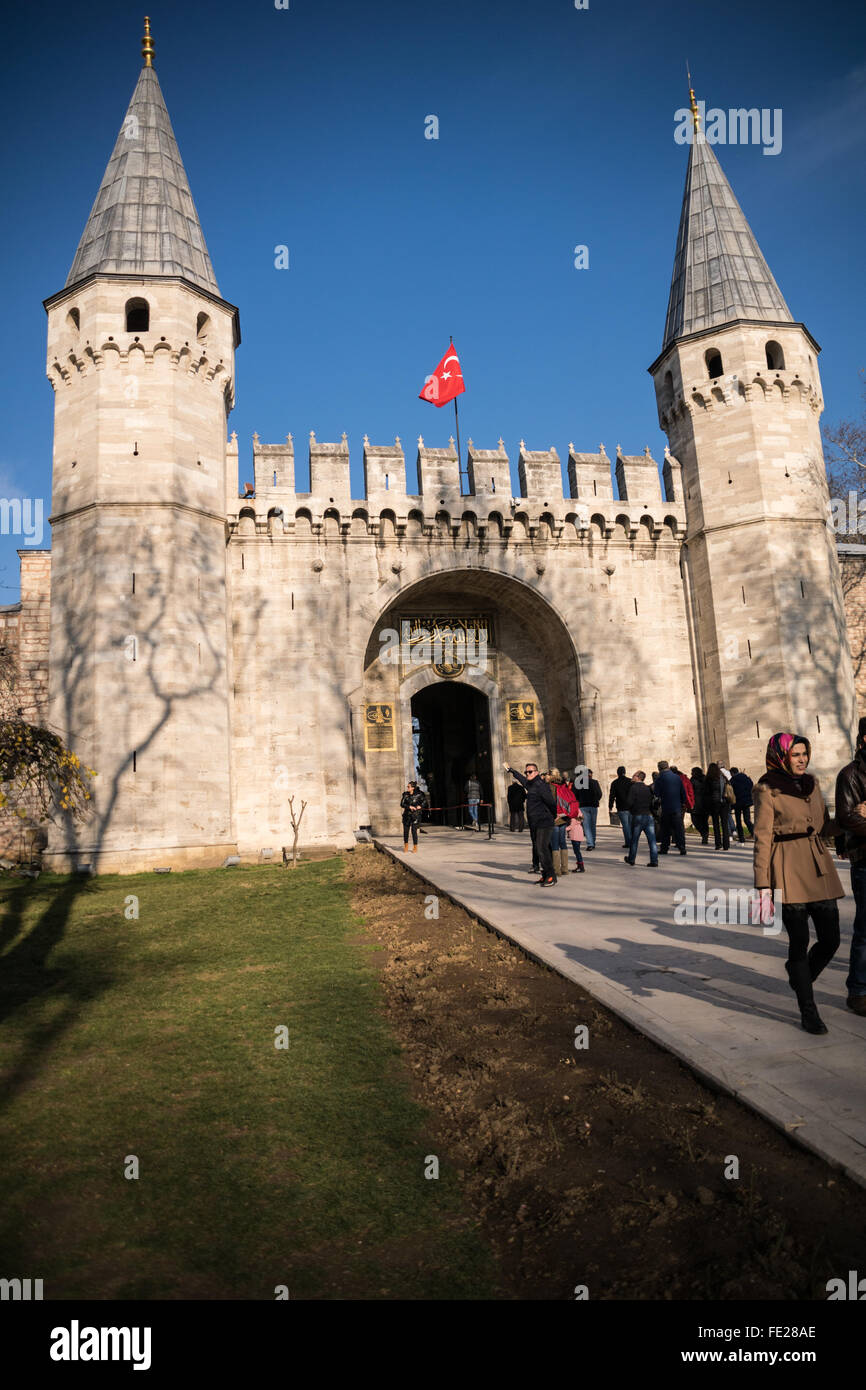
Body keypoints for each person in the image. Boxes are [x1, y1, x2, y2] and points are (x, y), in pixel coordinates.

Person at [754, 732, 843, 1035]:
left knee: (831, 939)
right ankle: (809, 1010)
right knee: (799, 941)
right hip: (788, 865)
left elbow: (824, 826)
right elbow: (762, 838)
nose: (803, 759)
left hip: (819, 865)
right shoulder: (767, 789)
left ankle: (799, 973)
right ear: (782, 756)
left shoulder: (813, 784)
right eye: (796, 754)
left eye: (805, 753)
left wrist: (849, 818)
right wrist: (763, 884)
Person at [833, 717, 866, 1016]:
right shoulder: (851, 775)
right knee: (865, 929)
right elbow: (848, 818)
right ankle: (858, 990)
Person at [504, 760, 557, 885]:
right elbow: (522, 779)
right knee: (539, 849)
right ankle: (545, 875)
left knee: (542, 848)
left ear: (537, 772)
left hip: (544, 821)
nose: (528, 774)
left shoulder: (541, 785)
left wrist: (553, 816)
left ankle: (551, 876)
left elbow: (551, 802)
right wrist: (511, 770)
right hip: (534, 823)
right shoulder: (530, 785)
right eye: (526, 772)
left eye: (530, 771)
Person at [551, 768, 583, 875]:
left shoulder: (551, 787)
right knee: (563, 843)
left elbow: (550, 804)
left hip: (555, 819)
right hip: (564, 818)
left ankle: (556, 870)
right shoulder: (564, 786)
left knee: (555, 844)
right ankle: (565, 869)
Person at [623, 771, 658, 867]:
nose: (632, 776)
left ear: (638, 777)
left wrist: (631, 810)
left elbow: (629, 802)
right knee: (652, 840)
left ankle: (631, 859)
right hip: (649, 816)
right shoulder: (648, 788)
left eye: (634, 775)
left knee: (634, 839)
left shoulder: (633, 788)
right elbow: (652, 803)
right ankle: (654, 861)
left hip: (638, 816)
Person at [654, 759, 687, 855]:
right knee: (679, 829)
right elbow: (682, 792)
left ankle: (664, 848)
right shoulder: (677, 777)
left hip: (666, 807)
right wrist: (682, 802)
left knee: (665, 829)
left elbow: (657, 793)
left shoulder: (659, 779)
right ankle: (682, 848)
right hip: (677, 807)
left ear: (659, 768)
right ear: (667, 767)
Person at [575, 767, 602, 849]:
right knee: (593, 825)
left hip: (583, 806)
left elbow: (575, 795)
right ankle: (592, 842)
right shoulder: (595, 782)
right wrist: (596, 799)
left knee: (586, 826)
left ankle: (590, 843)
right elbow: (599, 794)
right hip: (593, 805)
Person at [704, 762, 730, 851]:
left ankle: (718, 844)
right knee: (724, 824)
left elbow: (706, 794)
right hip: (724, 802)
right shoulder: (723, 777)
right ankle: (726, 845)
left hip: (714, 803)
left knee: (716, 824)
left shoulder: (708, 779)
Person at [609, 765, 634, 849]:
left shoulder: (615, 783)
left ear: (617, 773)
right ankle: (632, 841)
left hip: (621, 807)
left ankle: (628, 842)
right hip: (631, 807)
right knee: (631, 825)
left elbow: (612, 796)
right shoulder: (630, 781)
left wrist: (610, 806)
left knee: (625, 826)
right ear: (625, 772)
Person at [729, 766, 754, 842]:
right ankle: (754, 833)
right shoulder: (746, 778)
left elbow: (731, 791)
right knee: (747, 820)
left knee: (738, 821)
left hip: (738, 803)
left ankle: (741, 838)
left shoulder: (732, 780)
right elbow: (751, 786)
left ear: (732, 773)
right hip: (746, 802)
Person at [400, 779, 426, 853]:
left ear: (413, 788)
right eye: (407, 786)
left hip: (415, 815)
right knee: (405, 831)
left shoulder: (419, 794)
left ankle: (415, 847)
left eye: (409, 787)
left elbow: (425, 802)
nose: (407, 788)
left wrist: (420, 806)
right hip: (406, 815)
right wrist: (409, 807)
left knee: (414, 831)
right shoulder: (405, 794)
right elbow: (402, 804)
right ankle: (406, 846)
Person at [690, 766, 709, 843]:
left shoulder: (702, 779)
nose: (691, 773)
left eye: (692, 772)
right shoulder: (693, 779)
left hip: (700, 803)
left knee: (701, 821)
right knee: (697, 821)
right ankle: (704, 833)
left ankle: (704, 834)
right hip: (700, 803)